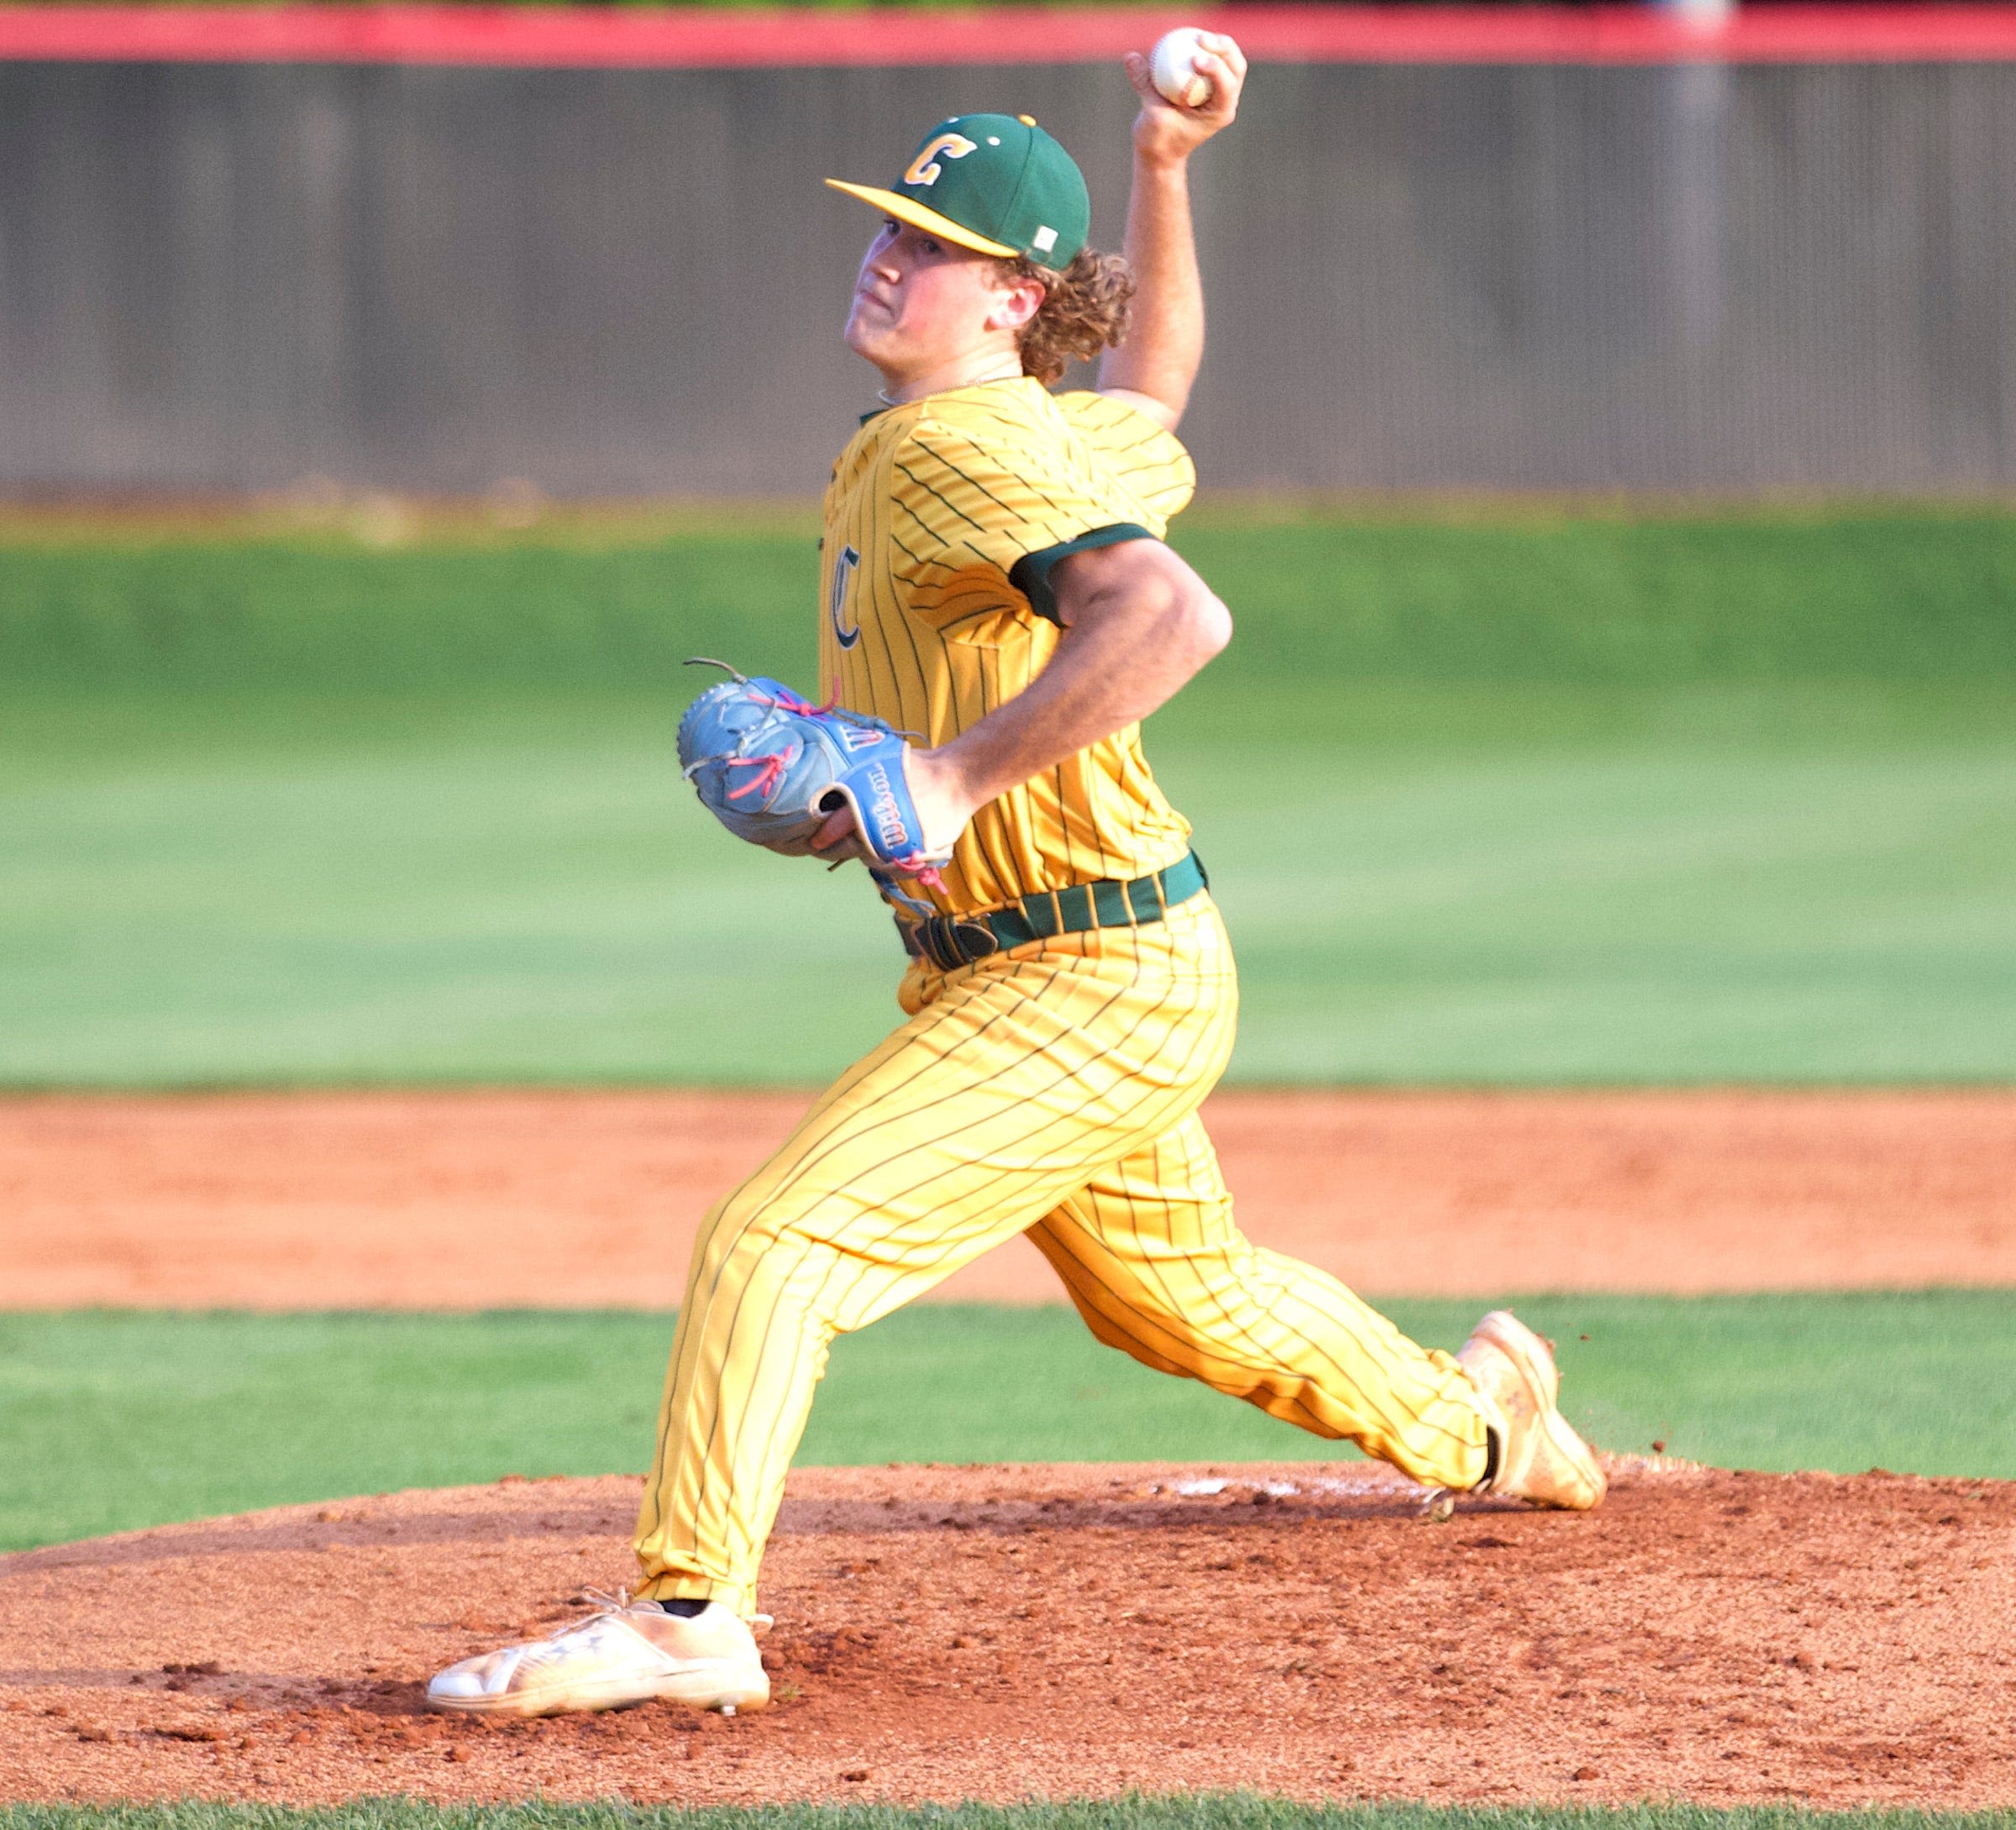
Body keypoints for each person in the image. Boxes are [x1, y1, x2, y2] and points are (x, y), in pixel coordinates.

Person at [427, 35, 1604, 1721]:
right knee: (1182, 1300)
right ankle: (1496, 1427)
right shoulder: (1011, 434)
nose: (889, 248)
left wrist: (950, 776)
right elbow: (1165, 388)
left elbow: (1174, 615)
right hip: (1079, 964)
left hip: (1082, 977)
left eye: (933, 239)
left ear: (1011, 298)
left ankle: (689, 1614)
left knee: (776, 1242)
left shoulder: (963, 453)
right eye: (892, 220)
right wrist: (1168, 165)